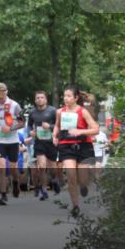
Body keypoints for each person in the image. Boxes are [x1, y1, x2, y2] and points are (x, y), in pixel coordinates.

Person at [54, 85, 99, 216]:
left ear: (76, 98)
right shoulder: (59, 112)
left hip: (83, 146)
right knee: (71, 176)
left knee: (82, 178)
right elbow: (57, 126)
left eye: (69, 96)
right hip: (66, 146)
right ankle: (76, 205)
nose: (66, 98)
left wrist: (80, 131)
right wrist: (54, 136)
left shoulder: (83, 111)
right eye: (64, 96)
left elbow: (96, 129)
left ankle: (84, 185)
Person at [26, 90, 58, 201]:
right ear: (35, 100)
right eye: (38, 98)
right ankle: (44, 190)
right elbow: (29, 126)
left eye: (42, 97)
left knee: (52, 168)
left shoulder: (52, 111)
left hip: (51, 142)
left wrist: (49, 126)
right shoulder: (32, 112)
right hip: (39, 142)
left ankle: (54, 180)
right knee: (42, 167)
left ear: (46, 99)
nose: (40, 99)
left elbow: (59, 125)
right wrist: (31, 132)